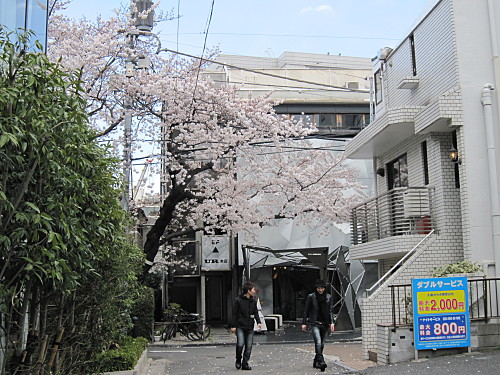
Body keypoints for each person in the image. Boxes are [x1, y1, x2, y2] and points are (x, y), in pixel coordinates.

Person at [301, 279, 335, 372]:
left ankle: (316, 361)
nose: (320, 290)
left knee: (322, 344)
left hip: (325, 323)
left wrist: (332, 322)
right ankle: (321, 361)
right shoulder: (311, 297)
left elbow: (330, 311)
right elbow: (306, 310)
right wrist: (304, 323)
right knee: (318, 343)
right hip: (315, 323)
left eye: (322, 288)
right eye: (319, 288)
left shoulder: (328, 297)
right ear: (316, 288)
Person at [231, 281, 262, 371]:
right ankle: (238, 359)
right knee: (240, 344)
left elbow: (255, 312)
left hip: (250, 325)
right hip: (240, 325)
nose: (254, 291)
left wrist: (259, 322)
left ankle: (245, 363)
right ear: (248, 291)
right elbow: (234, 314)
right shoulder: (238, 300)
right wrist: (233, 326)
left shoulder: (253, 301)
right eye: (253, 289)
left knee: (249, 346)